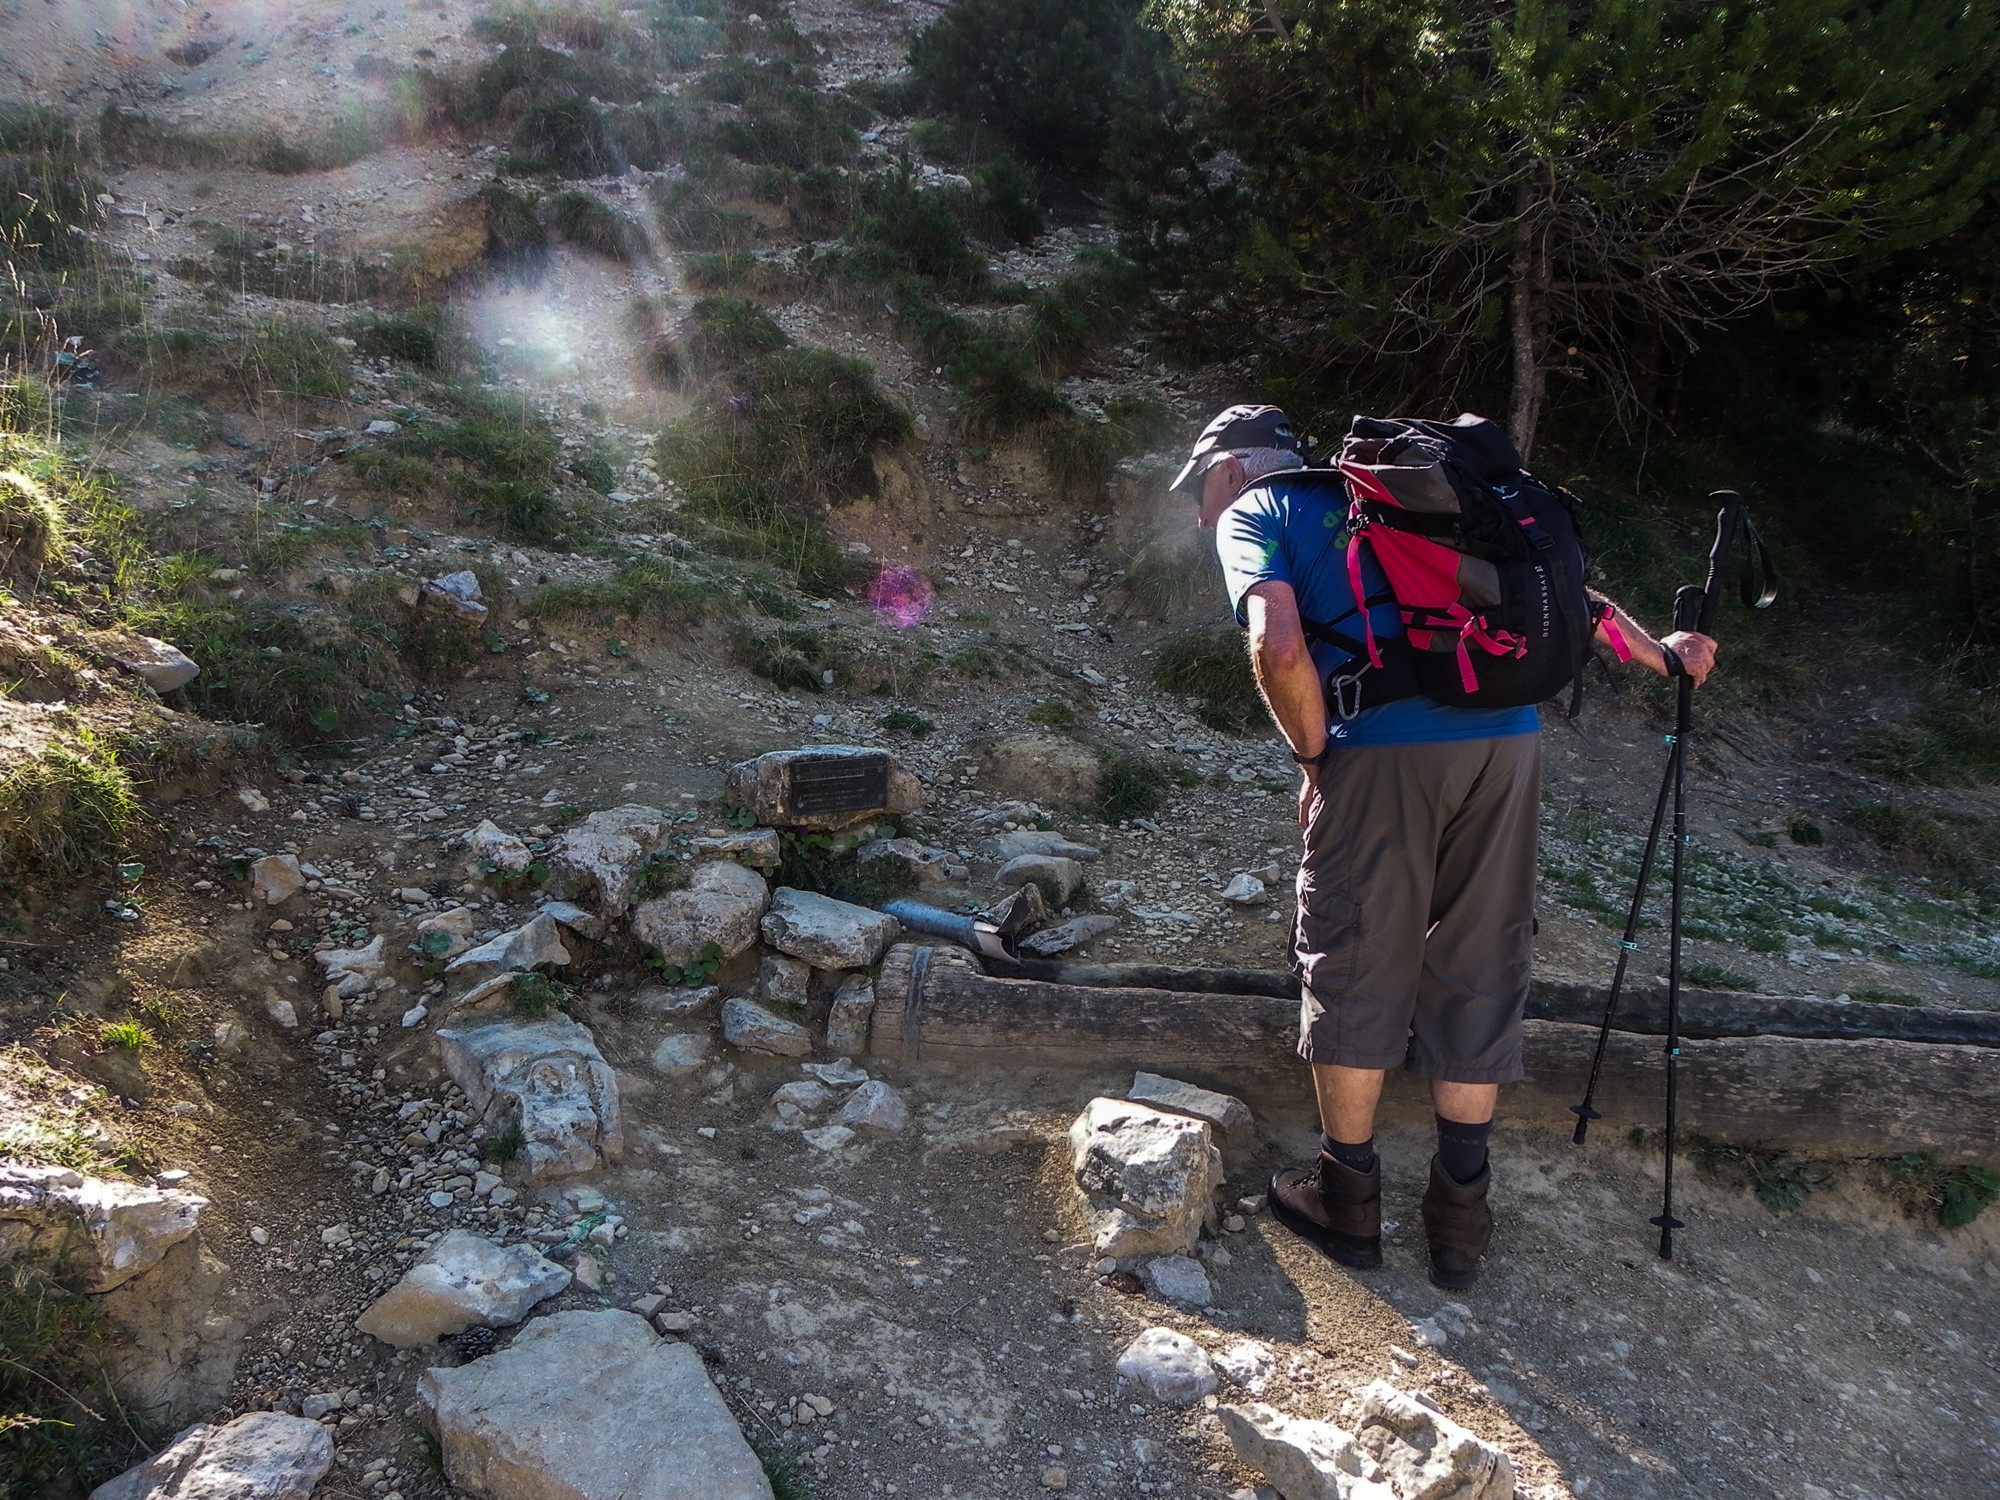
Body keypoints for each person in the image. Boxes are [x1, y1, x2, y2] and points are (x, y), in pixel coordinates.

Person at [1172, 404, 1718, 1290]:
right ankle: (1460, 1216)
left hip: (1382, 755)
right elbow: (1566, 598)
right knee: (1482, 954)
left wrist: (1317, 762)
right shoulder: (1404, 498)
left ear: (1231, 469)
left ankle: (1347, 1202)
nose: (1201, 510)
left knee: (1356, 953)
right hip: (1508, 746)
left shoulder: (1258, 513)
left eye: (1201, 488)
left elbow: (1278, 645)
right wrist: (1666, 656)